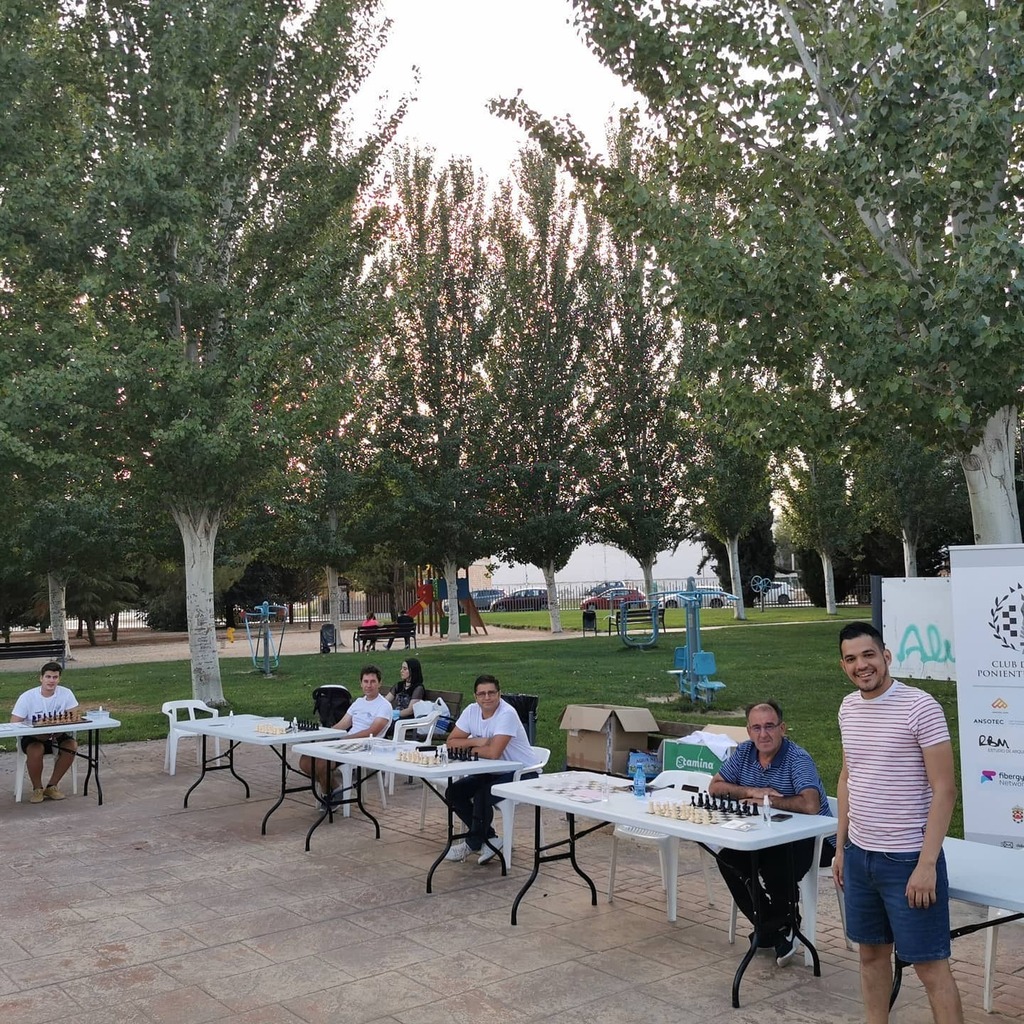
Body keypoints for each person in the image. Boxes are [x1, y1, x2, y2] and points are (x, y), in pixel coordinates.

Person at [834, 622, 963, 1024]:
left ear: (886, 656)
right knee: (871, 955)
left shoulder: (920, 706)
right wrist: (840, 848)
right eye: (852, 659)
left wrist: (927, 865)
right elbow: (847, 776)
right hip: (859, 857)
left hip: (908, 859)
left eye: (868, 655)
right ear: (843, 665)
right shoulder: (847, 708)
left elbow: (945, 790)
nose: (862, 665)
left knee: (929, 967)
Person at [708, 699, 833, 966]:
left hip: (816, 838)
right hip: (766, 834)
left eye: (769, 726)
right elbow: (715, 786)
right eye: (756, 728)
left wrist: (770, 801)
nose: (763, 734)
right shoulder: (743, 753)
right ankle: (775, 927)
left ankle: (777, 927)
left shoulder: (797, 758)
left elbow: (810, 805)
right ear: (748, 730)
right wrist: (752, 791)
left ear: (782, 728)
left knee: (776, 865)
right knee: (729, 859)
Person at [444, 674, 536, 865]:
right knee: (454, 792)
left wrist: (467, 748)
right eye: (482, 694)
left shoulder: (507, 714)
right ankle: (490, 838)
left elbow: (494, 752)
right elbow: (451, 742)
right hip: (492, 771)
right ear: (475, 696)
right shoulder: (471, 711)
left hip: (523, 773)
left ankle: (473, 842)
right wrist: (476, 742)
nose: (487, 698)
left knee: (482, 795)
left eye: (491, 693)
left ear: (499, 694)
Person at [298, 665, 391, 792]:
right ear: (361, 683)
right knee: (305, 761)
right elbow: (342, 725)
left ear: (379, 683)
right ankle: (335, 788)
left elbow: (372, 732)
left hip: (365, 746)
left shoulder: (384, 706)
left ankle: (329, 795)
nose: (369, 685)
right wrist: (325, 734)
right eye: (366, 681)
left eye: (373, 681)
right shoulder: (358, 702)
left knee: (321, 763)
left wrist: (345, 738)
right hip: (346, 741)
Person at [11, 661, 79, 803]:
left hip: (57, 735)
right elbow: (14, 723)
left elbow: (73, 717)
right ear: (41, 678)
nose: (51, 681)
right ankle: (37, 788)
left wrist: (58, 729)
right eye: (48, 677)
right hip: (33, 737)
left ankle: (52, 786)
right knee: (36, 749)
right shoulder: (27, 697)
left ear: (59, 679)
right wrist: (36, 731)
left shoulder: (66, 694)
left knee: (71, 746)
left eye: (55, 677)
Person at [385, 657, 426, 721]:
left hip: (407, 721)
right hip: (394, 718)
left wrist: (394, 713)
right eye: (402, 668)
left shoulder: (418, 688)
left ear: (412, 670)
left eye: (405, 669)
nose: (401, 671)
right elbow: (385, 701)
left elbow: (410, 710)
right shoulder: (399, 685)